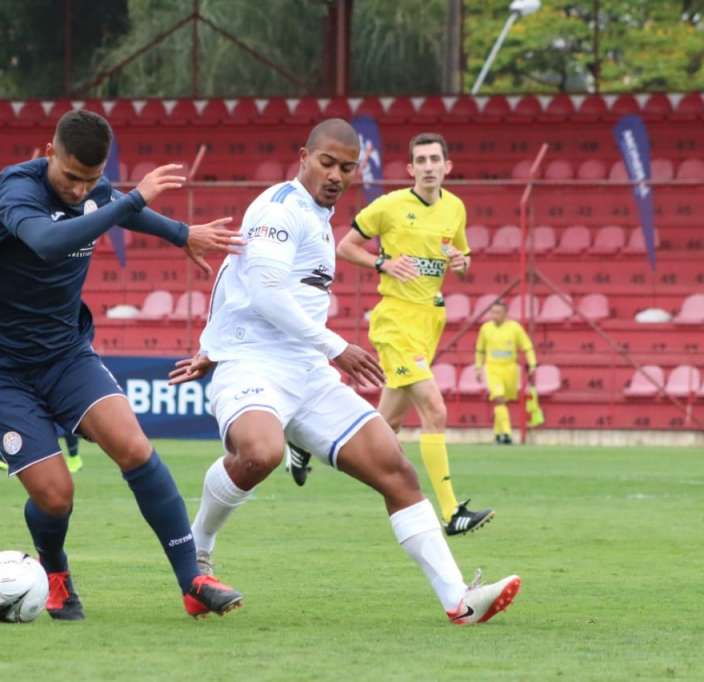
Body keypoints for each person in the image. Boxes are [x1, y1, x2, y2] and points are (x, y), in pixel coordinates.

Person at [169, 119, 520, 625]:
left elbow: (242, 279)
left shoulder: (318, 216)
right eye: (326, 162)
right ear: (303, 156)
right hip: (253, 365)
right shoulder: (280, 208)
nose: (335, 174)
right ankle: (197, 556)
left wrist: (220, 336)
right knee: (261, 452)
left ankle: (460, 601)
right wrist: (334, 346)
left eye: (346, 167)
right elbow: (265, 291)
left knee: (396, 470)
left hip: (306, 372)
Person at [0, 109, 244, 620]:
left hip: (65, 354)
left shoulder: (97, 191)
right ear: (49, 151)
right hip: (0, 366)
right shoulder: (16, 189)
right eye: (70, 176)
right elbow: (48, 244)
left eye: (90, 180)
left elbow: (120, 209)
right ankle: (56, 574)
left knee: (133, 446)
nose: (78, 189)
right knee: (55, 497)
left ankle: (191, 580)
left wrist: (182, 234)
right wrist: (130, 198)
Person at [310, 131, 492, 537]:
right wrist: (382, 263)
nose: (428, 167)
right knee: (435, 410)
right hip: (395, 321)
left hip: (429, 322)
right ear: (411, 169)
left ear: (447, 167)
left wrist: (463, 262)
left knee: (382, 427)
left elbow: (460, 260)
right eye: (421, 161)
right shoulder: (390, 206)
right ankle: (451, 512)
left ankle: (309, 441)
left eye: (435, 160)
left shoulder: (455, 208)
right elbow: (345, 246)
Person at [474, 299, 537, 445]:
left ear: (505, 314)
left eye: (498, 312)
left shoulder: (515, 328)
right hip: (492, 368)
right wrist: (478, 367)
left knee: (502, 403)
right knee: (499, 398)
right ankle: (507, 434)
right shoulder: (485, 328)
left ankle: (497, 434)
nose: (494, 315)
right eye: (493, 312)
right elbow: (480, 349)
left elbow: (527, 346)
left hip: (510, 370)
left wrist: (532, 363)